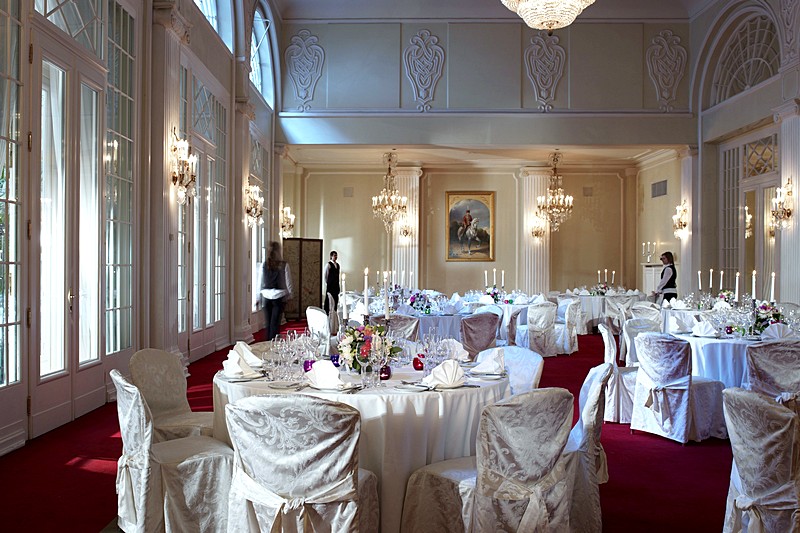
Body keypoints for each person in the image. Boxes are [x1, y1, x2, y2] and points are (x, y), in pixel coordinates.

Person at [261, 241, 293, 340]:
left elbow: (261, 280)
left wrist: (258, 296)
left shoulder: (266, 264)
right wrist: (290, 295)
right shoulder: (284, 264)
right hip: (279, 296)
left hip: (266, 296)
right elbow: (288, 281)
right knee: (275, 323)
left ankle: (267, 344)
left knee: (268, 324)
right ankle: (274, 344)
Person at [324, 250, 340, 315]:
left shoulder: (338, 265)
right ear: (331, 256)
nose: (335, 257)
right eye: (334, 255)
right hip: (330, 285)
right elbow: (325, 275)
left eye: (336, 255)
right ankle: (327, 311)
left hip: (336, 285)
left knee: (336, 297)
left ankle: (335, 310)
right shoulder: (328, 264)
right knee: (329, 298)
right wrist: (328, 282)